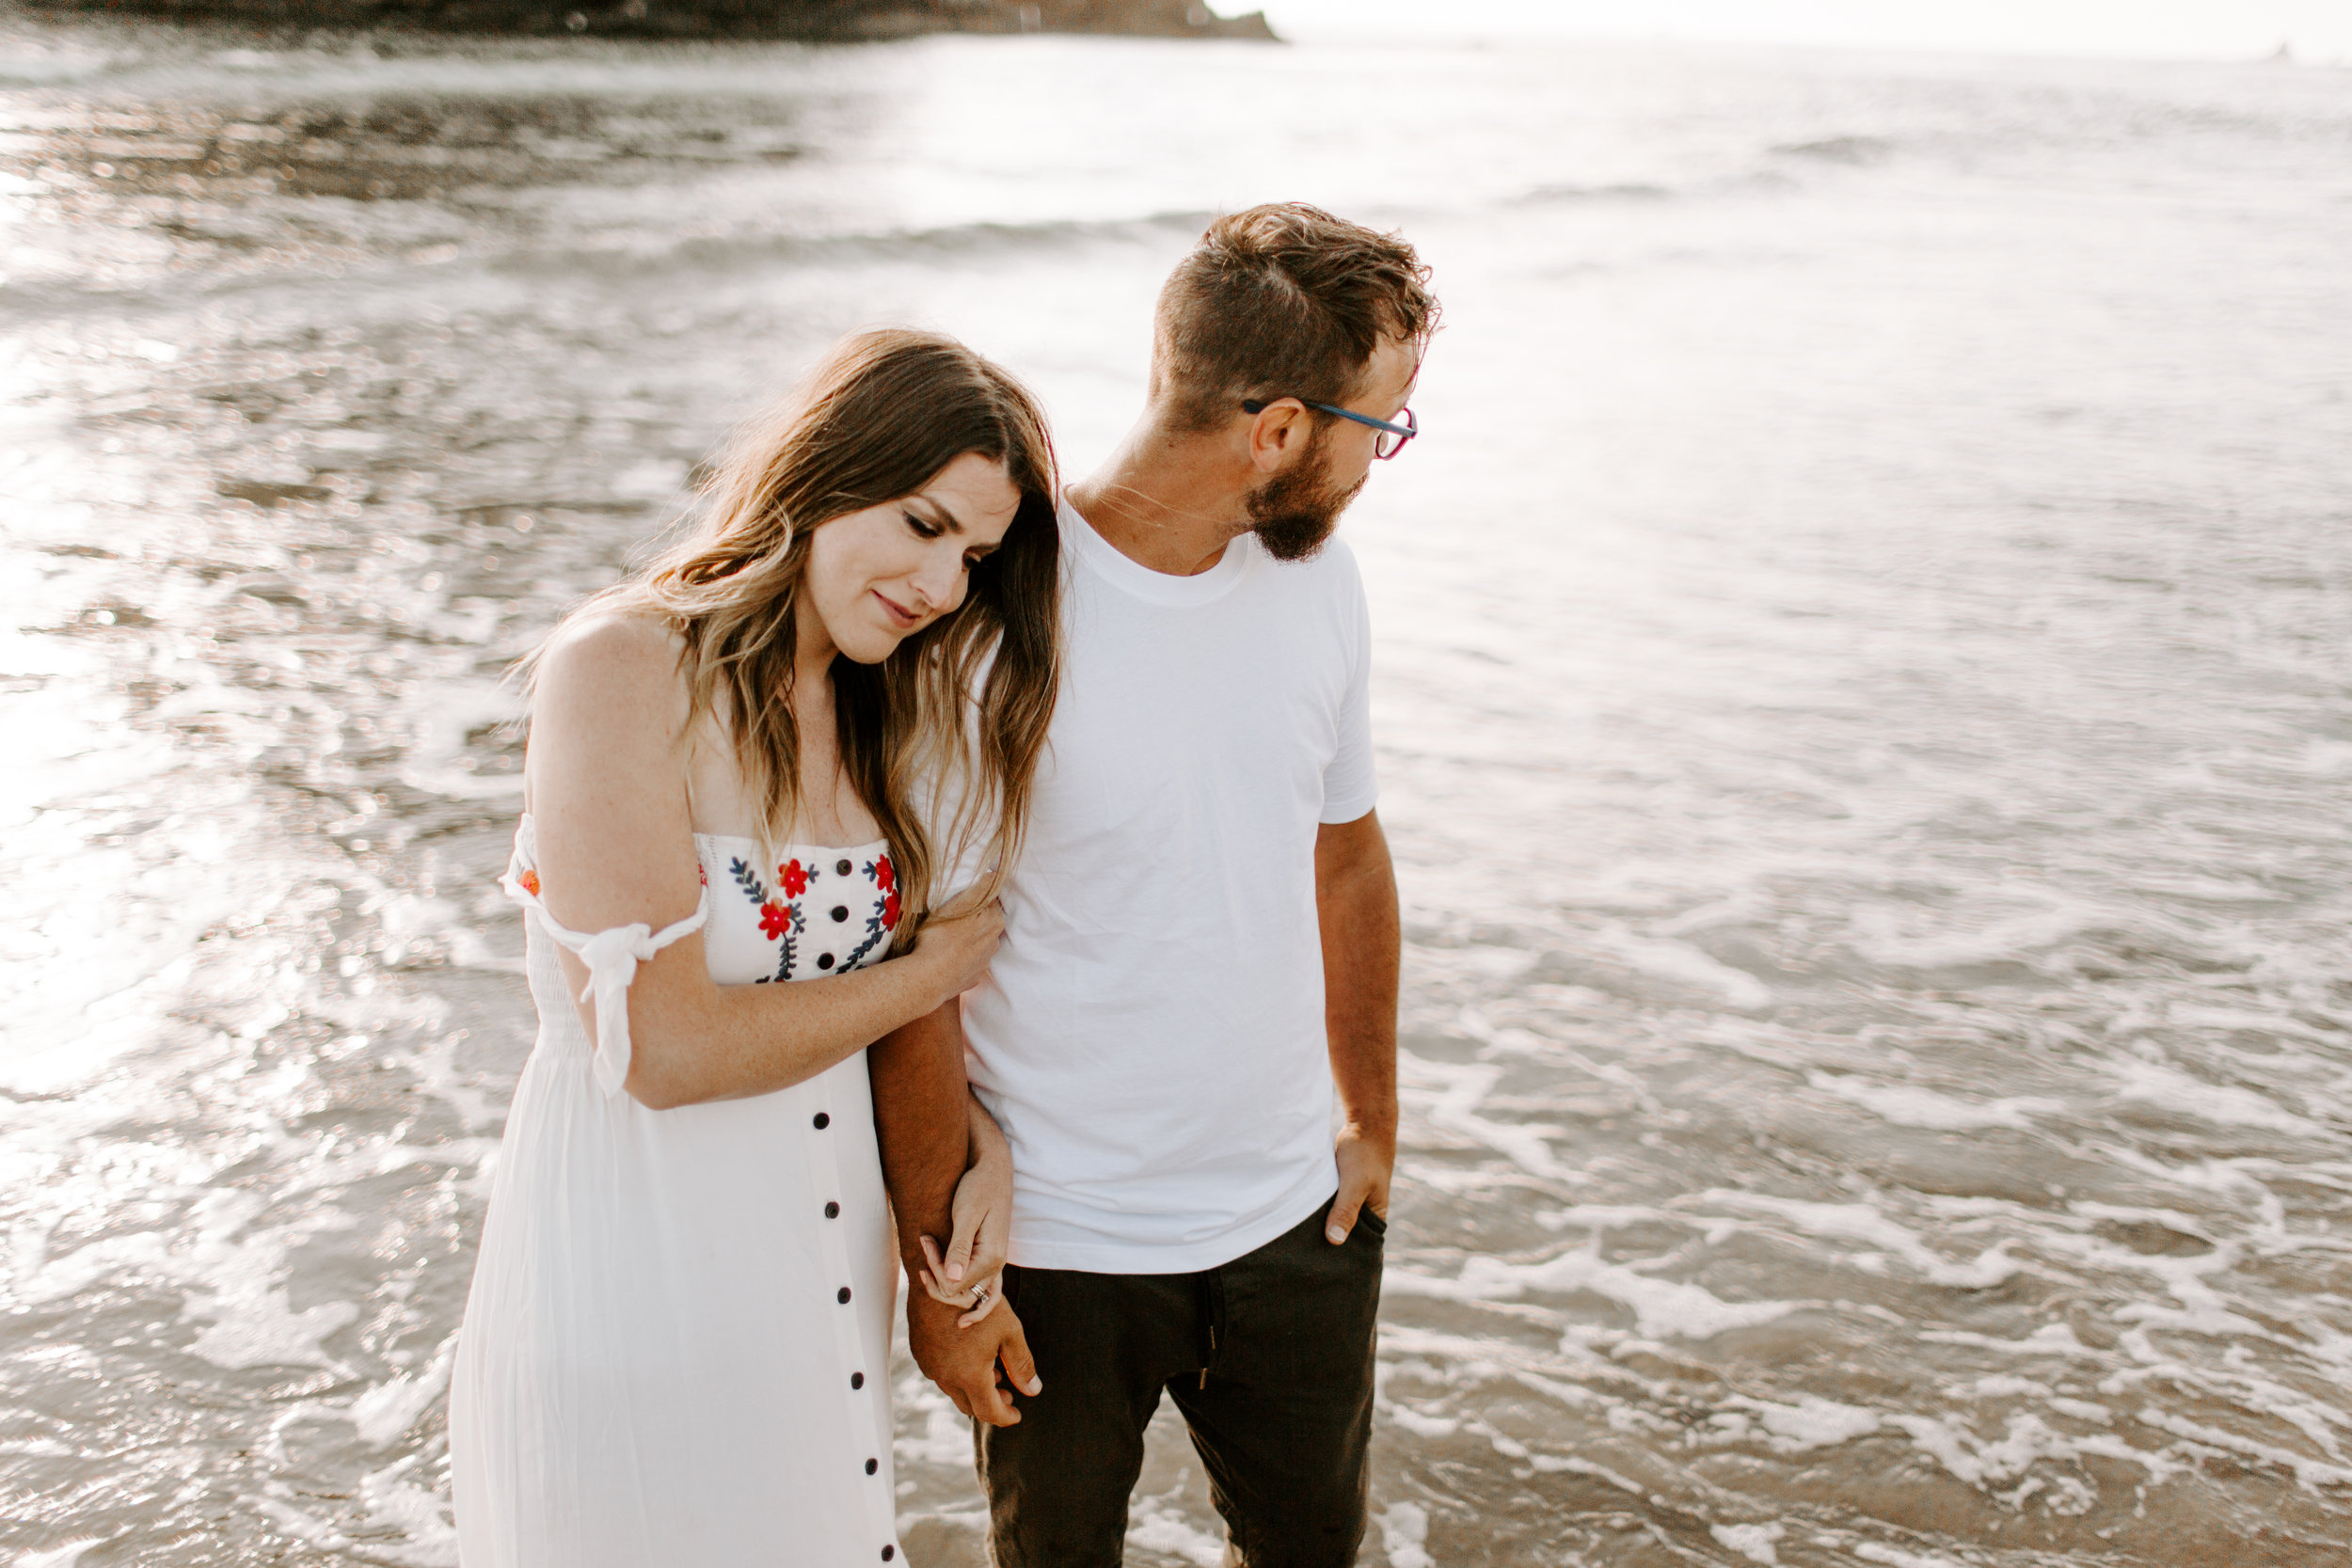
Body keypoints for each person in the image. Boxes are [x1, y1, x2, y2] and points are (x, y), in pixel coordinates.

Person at [447, 327, 1058, 1568]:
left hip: (810, 1311)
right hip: (636, 1292)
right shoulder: (623, 667)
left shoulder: (880, 712)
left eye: (976, 559)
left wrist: (982, 1147)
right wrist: (929, 970)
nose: (943, 585)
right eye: (923, 524)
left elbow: (839, 1011)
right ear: (828, 471)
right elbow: (661, 1048)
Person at [884, 203, 1438, 1565]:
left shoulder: (1321, 588)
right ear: (1279, 432)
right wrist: (943, 1286)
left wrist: (1369, 1115)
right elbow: (918, 980)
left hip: (1294, 1224)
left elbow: (1348, 853)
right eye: (1384, 424)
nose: (1387, 459)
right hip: (1060, 1251)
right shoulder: (992, 629)